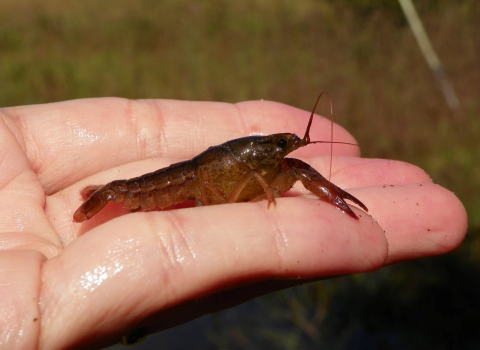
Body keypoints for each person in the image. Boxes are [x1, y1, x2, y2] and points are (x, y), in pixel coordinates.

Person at [0, 98, 467, 349]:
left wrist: (278, 160)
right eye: (277, 146)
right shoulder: (243, 170)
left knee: (297, 170)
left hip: (197, 180)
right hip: (166, 185)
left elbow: (289, 165)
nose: (286, 151)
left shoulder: (273, 157)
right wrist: (266, 187)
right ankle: (113, 194)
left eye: (279, 146)